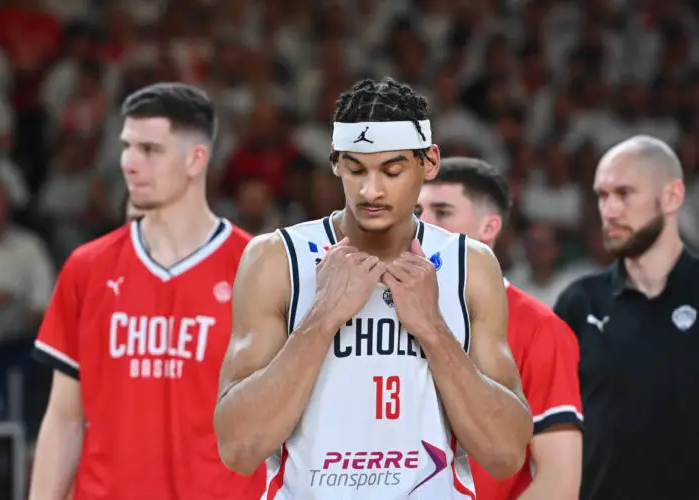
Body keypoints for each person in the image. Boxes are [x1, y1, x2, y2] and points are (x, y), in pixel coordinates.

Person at [214, 78, 532, 499]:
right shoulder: (276, 258)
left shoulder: (469, 264)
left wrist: (433, 329)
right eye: (355, 168)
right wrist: (322, 318)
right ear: (334, 162)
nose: (371, 190)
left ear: (430, 162)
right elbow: (238, 448)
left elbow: (506, 454)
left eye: (392, 170)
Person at [29, 83, 265, 500]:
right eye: (127, 147)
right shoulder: (87, 267)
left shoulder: (258, 265)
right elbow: (64, 417)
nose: (130, 165)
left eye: (150, 150)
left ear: (196, 160)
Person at [417, 157, 583, 500]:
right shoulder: (382, 310)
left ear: (489, 229)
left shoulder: (540, 328)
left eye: (443, 212)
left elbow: (558, 481)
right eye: (416, 212)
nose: (423, 226)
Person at [554, 135, 699, 500]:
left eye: (624, 193)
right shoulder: (579, 303)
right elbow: (548, 428)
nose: (610, 210)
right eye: (602, 196)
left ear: (672, 197)